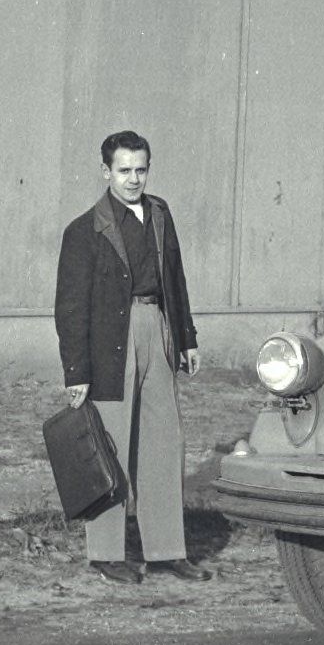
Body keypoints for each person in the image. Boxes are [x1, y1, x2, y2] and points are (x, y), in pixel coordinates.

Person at [53, 128, 204, 585]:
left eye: (141, 169)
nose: (133, 179)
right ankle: (106, 554)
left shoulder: (160, 214)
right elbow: (70, 306)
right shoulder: (83, 230)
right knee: (110, 446)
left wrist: (187, 336)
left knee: (164, 441)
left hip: (156, 328)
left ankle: (166, 551)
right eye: (124, 171)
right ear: (106, 172)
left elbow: (174, 278)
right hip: (109, 344)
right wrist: (76, 371)